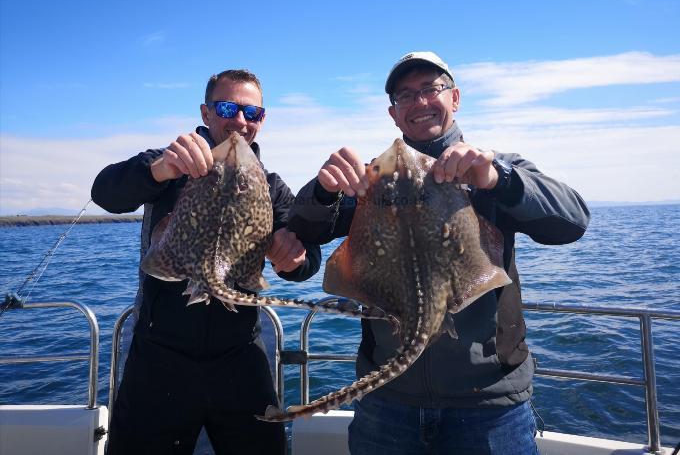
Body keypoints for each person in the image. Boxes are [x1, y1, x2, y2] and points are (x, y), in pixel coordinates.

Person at [288, 51, 590, 454]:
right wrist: (323, 191)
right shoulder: (376, 179)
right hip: (388, 401)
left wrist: (497, 179)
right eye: (405, 95)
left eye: (431, 89)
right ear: (393, 113)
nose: (419, 102)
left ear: (455, 98)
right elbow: (304, 228)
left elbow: (572, 221)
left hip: (488, 405)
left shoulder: (493, 168)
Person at [92, 69, 321, 455]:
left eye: (253, 113)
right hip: (160, 355)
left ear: (262, 119)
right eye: (228, 107)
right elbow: (105, 192)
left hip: (240, 358)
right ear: (207, 112)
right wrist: (159, 169)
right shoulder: (169, 165)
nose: (240, 121)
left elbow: (306, 256)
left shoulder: (272, 185)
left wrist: (293, 259)